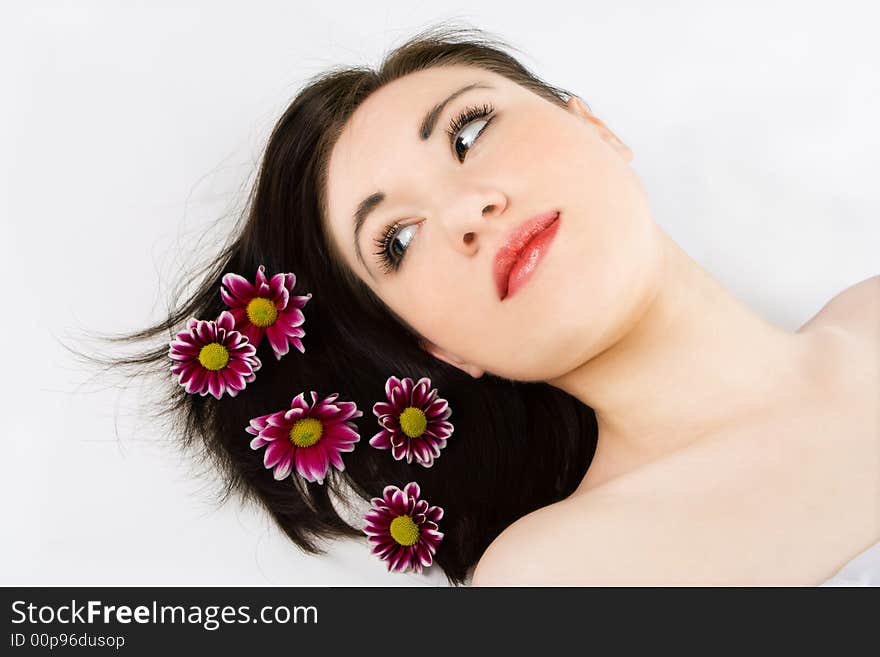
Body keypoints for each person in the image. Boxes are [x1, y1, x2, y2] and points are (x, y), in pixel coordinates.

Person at [90, 23, 879, 586]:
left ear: (596, 127)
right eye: (397, 240)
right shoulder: (557, 578)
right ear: (437, 348)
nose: (467, 212)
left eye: (469, 133)